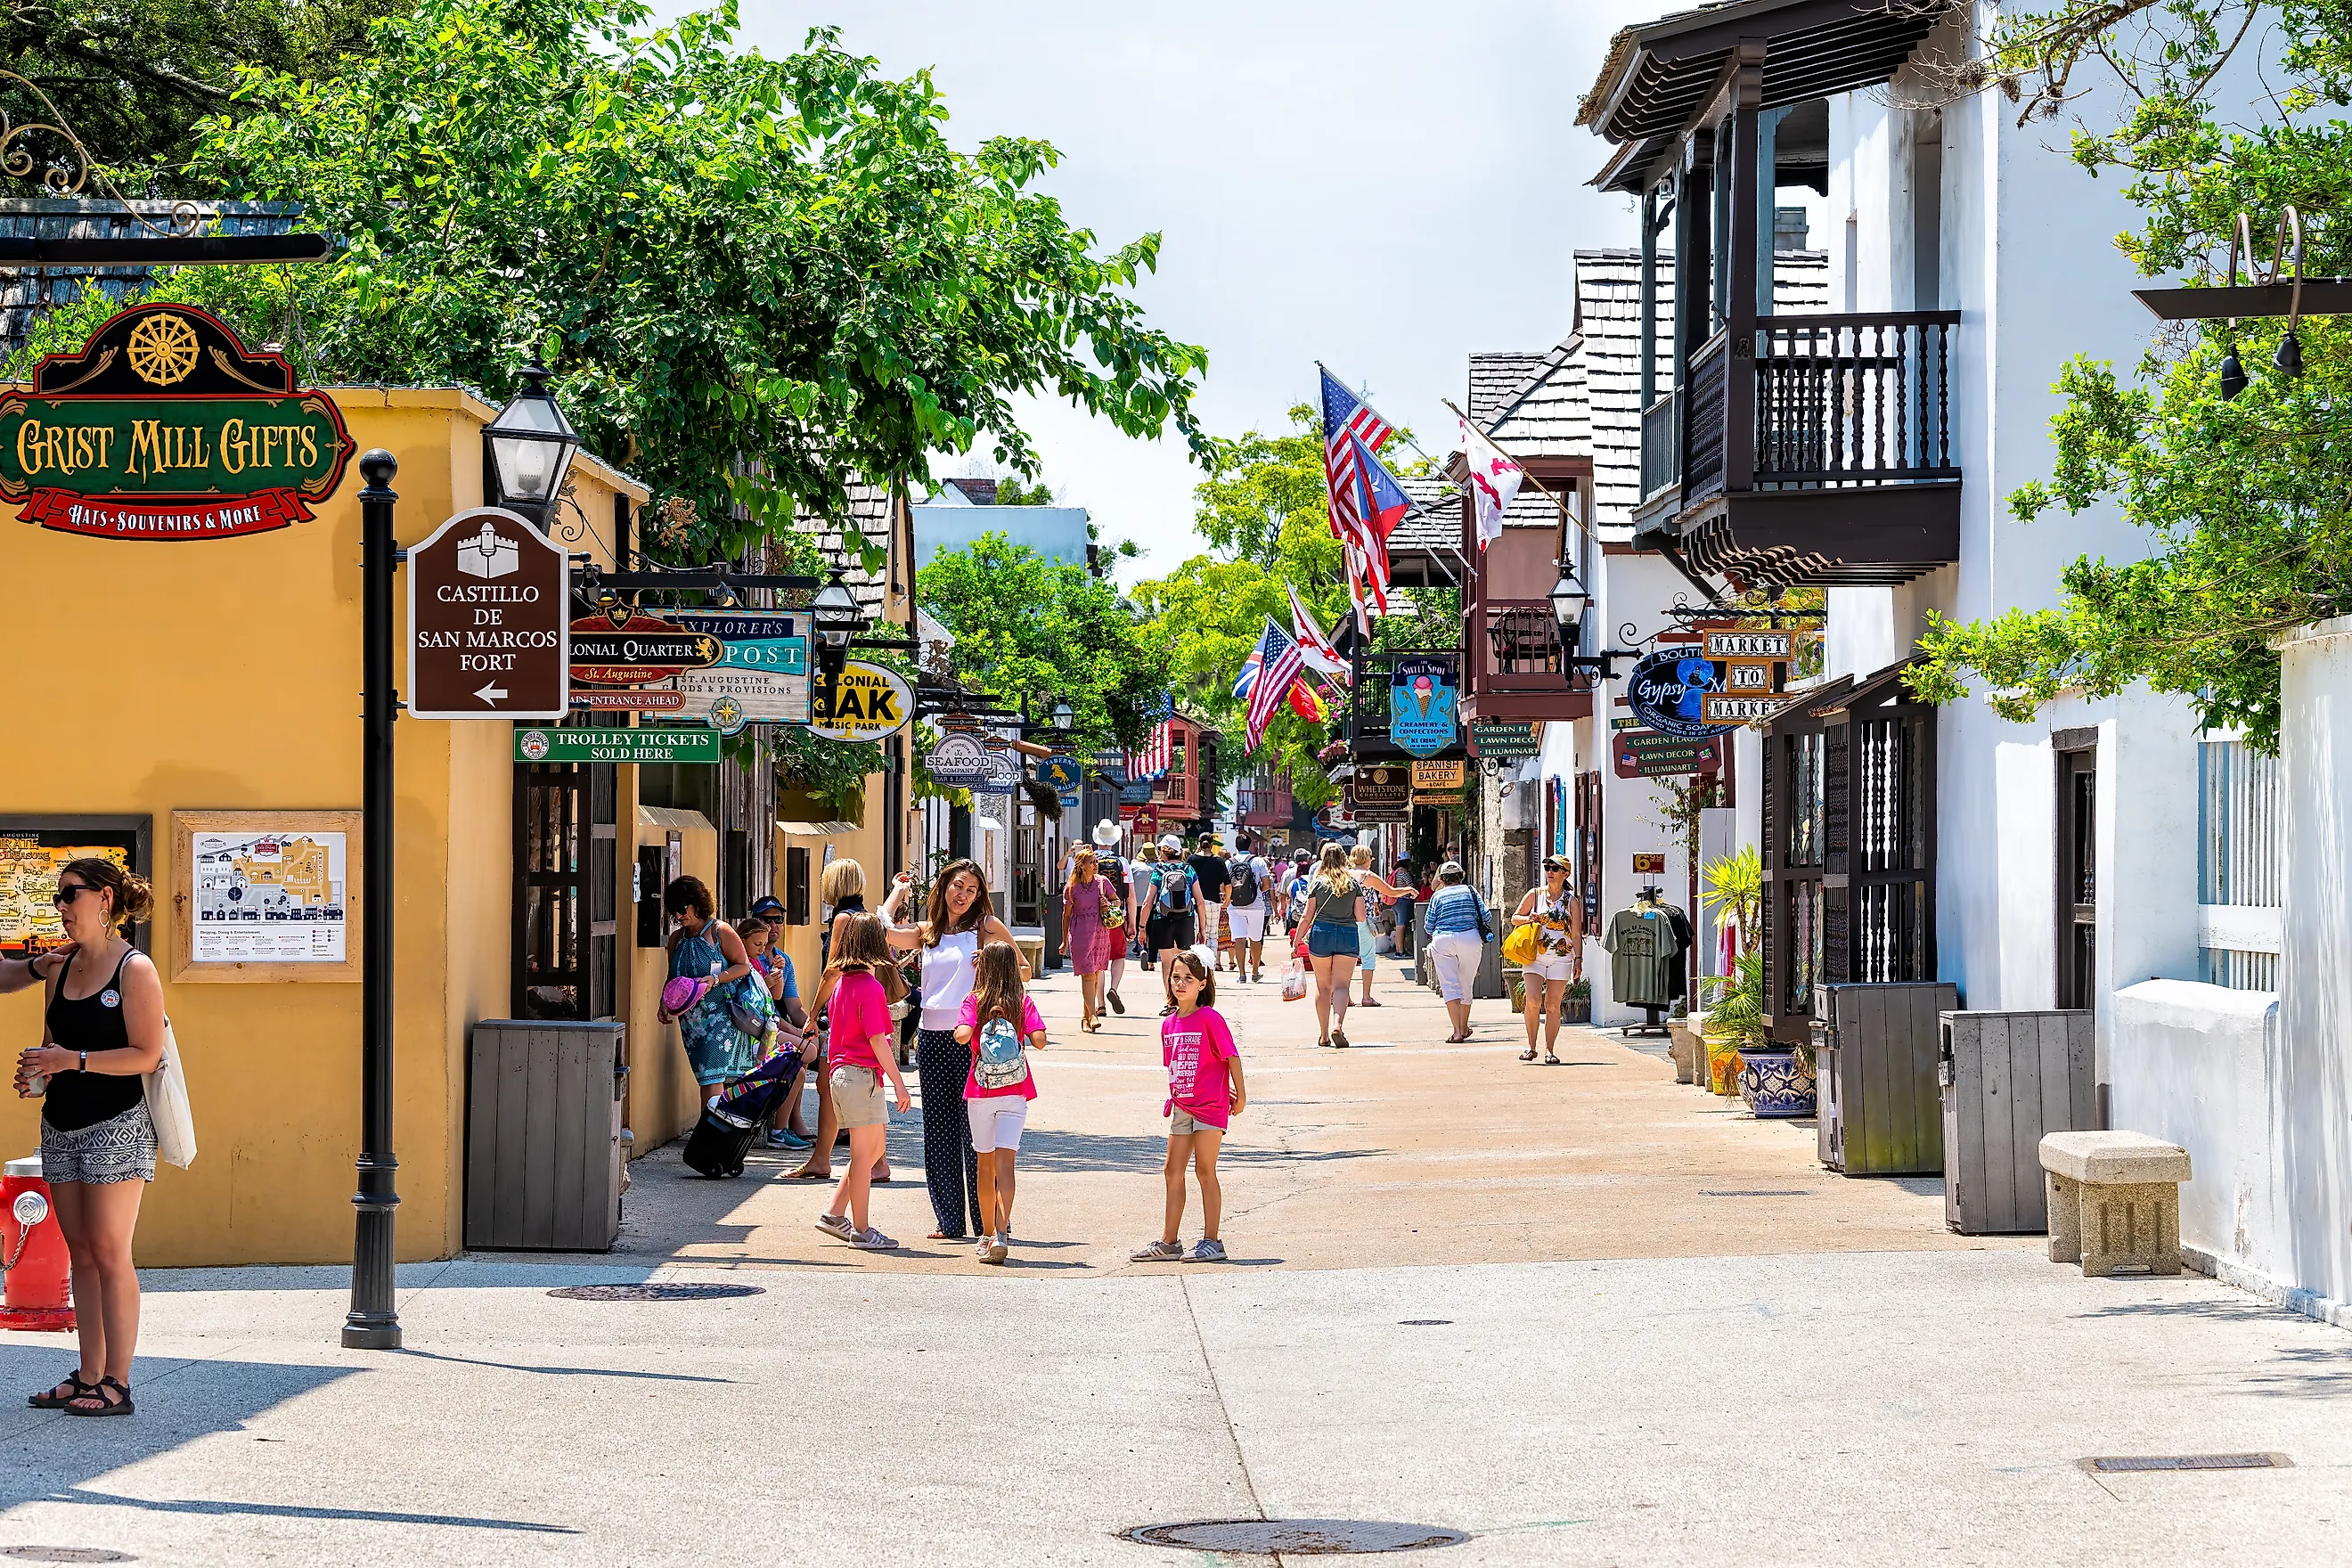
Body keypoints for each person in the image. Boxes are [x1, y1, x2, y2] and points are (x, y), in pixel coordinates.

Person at [14, 859, 163, 1417]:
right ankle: (88, 1374)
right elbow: (53, 1044)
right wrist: (39, 1074)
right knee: (78, 1251)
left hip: (115, 1125)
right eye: (57, 897)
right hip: (62, 1124)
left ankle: (118, 1383)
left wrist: (71, 1060)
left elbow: (145, 1055)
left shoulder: (135, 970)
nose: (60, 907)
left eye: (69, 895)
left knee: (110, 1250)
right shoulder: (59, 968)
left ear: (103, 899)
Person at [881, 859, 1023, 1242]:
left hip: (973, 1039)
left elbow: (1021, 970)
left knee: (977, 1132)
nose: (963, 895)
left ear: (980, 896)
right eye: (958, 886)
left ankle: (989, 1223)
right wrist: (897, 894)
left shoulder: (986, 928)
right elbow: (886, 931)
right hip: (930, 1037)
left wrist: (991, 966)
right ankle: (949, 1220)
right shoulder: (929, 932)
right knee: (939, 1130)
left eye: (972, 890)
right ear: (945, 887)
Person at [1130, 951, 1245, 1263]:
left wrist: (1241, 1095)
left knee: (1205, 1170)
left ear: (1202, 984)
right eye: (1176, 977)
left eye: (1188, 979)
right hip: (1182, 1106)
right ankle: (1169, 1241)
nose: (1180, 983)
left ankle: (1212, 1241)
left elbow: (1231, 1056)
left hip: (1211, 1106)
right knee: (1172, 1170)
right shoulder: (1168, 1024)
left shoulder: (1210, 1018)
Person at [812, 914, 912, 1251]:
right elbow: (879, 1040)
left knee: (873, 1150)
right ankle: (862, 1229)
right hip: (861, 1076)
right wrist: (899, 1082)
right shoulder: (870, 988)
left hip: (842, 1075)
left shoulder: (842, 985)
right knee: (863, 1153)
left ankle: (835, 1214)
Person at [789, 861, 889, 1182]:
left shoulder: (843, 919)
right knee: (863, 1081)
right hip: (865, 1006)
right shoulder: (866, 917)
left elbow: (833, 968)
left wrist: (814, 1012)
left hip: (844, 1009)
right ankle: (875, 1161)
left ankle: (824, 1159)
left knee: (828, 1085)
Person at [953, 942, 1048, 1264]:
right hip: (1016, 1091)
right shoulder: (1022, 1002)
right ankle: (1002, 1232)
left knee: (985, 1165)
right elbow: (1039, 1041)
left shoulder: (973, 1001)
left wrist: (971, 1028)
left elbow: (963, 1035)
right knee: (1007, 1166)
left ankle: (984, 1235)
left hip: (981, 1093)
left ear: (984, 968)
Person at [659, 877, 757, 1106]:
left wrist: (716, 978)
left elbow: (743, 966)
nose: (679, 916)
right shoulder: (677, 939)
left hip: (720, 1015)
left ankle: (710, 1131)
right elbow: (672, 976)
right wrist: (663, 1002)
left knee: (711, 1076)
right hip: (691, 1021)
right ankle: (714, 1129)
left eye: (683, 909)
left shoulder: (720, 931)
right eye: (674, 911)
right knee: (705, 1075)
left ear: (697, 903)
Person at [1513, 855, 1582, 1065]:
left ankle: (1549, 1050)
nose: (1549, 871)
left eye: (1555, 868)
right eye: (1547, 867)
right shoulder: (1535, 895)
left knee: (1552, 1004)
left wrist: (1578, 959)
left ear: (1565, 874)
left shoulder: (1571, 901)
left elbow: (1577, 934)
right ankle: (1531, 1046)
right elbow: (1515, 918)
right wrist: (1529, 918)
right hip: (1534, 956)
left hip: (1561, 959)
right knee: (1533, 1000)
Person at [1300, 845, 1366, 1049]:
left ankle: (1323, 1035)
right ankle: (1337, 1025)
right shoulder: (1353, 883)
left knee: (1323, 986)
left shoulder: (1317, 883)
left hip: (1322, 934)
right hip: (1347, 935)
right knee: (1342, 986)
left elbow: (1306, 916)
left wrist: (1296, 942)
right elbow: (1361, 917)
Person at [1421, 862, 1493, 1042]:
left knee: (1449, 985)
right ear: (1461, 875)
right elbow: (1487, 916)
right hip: (1470, 939)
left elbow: (1428, 925)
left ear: (1442, 879)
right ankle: (1464, 1026)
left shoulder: (1437, 896)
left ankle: (1457, 1032)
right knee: (1466, 984)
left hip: (1443, 940)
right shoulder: (1470, 891)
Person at [1138, 835, 1200, 1015]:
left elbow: (1148, 901)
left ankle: (1171, 1003)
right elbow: (1200, 901)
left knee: (1167, 963)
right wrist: (1202, 928)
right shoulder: (1189, 870)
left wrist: (1142, 928)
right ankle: (1185, 1003)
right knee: (1184, 962)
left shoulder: (1159, 870)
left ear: (1164, 852)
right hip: (1186, 919)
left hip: (1162, 920)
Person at [1347, 845, 1409, 1009]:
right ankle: (1366, 996)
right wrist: (1408, 890)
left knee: (1346, 959)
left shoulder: (1344, 875)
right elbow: (1391, 892)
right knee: (1367, 957)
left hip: (1346, 922)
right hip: (1365, 921)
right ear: (1366, 858)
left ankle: (1344, 996)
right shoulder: (1368, 876)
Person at [1061, 846, 1114, 1032]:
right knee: (1088, 975)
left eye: (1095, 861)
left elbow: (1116, 901)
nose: (1095, 864)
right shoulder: (1071, 888)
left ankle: (1085, 1017)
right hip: (1080, 934)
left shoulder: (1102, 882)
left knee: (1096, 975)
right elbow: (1066, 915)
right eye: (1091, 862)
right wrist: (1064, 941)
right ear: (1081, 865)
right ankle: (1092, 1015)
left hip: (1100, 933)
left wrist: (1109, 903)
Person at [1089, 821, 1132, 1015]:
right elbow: (1130, 895)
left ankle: (1100, 1004)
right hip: (1115, 917)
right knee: (1118, 956)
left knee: (1099, 962)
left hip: (1093, 918)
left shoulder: (1089, 861)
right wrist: (1132, 923)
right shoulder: (1122, 862)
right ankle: (1113, 989)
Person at [1223, 832, 1271, 984]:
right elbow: (1267, 885)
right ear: (1249, 845)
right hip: (1256, 906)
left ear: (1236, 846)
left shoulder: (1228, 863)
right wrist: (1256, 892)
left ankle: (1242, 974)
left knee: (1239, 939)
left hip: (1234, 905)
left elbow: (1225, 885)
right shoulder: (1258, 861)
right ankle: (1255, 972)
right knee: (1256, 940)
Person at [1188, 835, 1233, 970]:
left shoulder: (1192, 859)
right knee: (1213, 935)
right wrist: (1227, 900)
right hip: (1213, 901)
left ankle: (1197, 965)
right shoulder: (1218, 861)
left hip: (1195, 901)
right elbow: (1228, 885)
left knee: (1197, 933)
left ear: (1199, 843)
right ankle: (1210, 967)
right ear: (1212, 844)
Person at [1391, 855, 1420, 960]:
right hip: (1403, 900)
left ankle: (1398, 950)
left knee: (1398, 925)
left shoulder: (1395, 871)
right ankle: (1401, 951)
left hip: (1395, 901)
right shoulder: (1404, 872)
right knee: (1401, 925)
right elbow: (1411, 885)